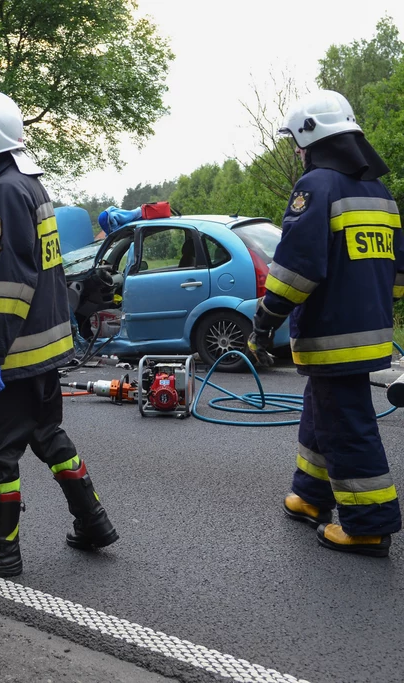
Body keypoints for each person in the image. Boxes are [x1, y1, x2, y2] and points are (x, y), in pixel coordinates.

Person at [0, 89, 118, 582]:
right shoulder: (28, 185)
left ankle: (0, 552)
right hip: (45, 349)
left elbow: (12, 281)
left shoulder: (3, 193)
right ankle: (94, 522)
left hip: (14, 353)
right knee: (47, 434)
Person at [248, 89, 403, 557]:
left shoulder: (316, 187)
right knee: (322, 410)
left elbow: (297, 269)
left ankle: (368, 523)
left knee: (346, 424)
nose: (296, 153)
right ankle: (311, 498)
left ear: (311, 139)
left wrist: (264, 321)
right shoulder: (381, 194)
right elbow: (397, 277)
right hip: (371, 330)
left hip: (332, 335)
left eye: (296, 143)